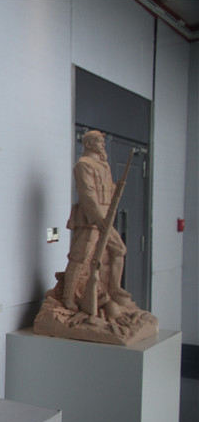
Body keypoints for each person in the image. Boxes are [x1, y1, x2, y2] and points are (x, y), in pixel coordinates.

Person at [61, 130, 131, 312]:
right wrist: (98, 218)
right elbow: (88, 194)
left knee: (119, 249)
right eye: (100, 141)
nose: (103, 145)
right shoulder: (84, 164)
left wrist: (116, 188)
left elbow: (106, 191)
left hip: (105, 218)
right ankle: (67, 297)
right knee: (79, 257)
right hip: (90, 221)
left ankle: (114, 288)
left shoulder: (103, 165)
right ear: (89, 144)